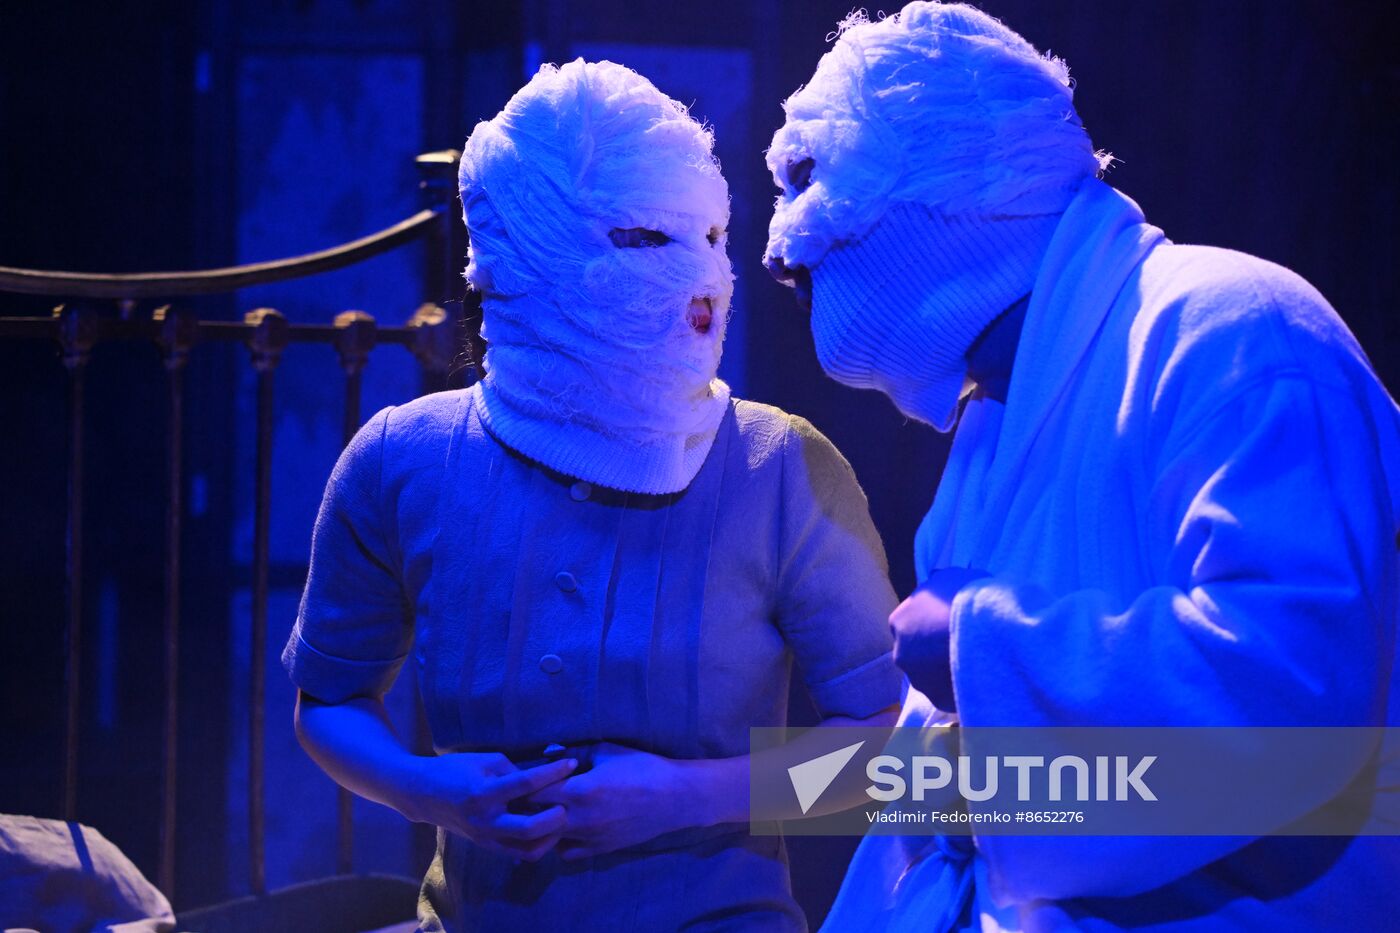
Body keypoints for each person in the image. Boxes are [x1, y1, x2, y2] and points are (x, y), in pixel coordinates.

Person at [762, 3, 1400, 930]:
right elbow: (929, 781)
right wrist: (701, 796)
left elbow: (1295, 706)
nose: (780, 255)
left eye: (811, 184)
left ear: (949, 195)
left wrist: (982, 643)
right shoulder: (996, 419)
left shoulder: (1235, 332)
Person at [283, 59, 902, 932]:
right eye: (645, 238)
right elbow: (330, 696)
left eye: (712, 236)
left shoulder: (780, 467)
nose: (702, 276)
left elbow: (887, 748)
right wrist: (428, 789)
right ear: (532, 253)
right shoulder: (402, 460)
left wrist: (690, 796)